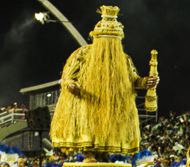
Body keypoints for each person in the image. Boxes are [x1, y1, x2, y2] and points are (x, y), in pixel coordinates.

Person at [50, 6, 159, 157]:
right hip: (88, 103)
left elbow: (133, 80)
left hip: (111, 105)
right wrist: (70, 84)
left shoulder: (124, 59)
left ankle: (104, 155)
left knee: (108, 130)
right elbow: (67, 76)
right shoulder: (82, 54)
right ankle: (88, 155)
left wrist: (146, 82)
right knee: (89, 130)